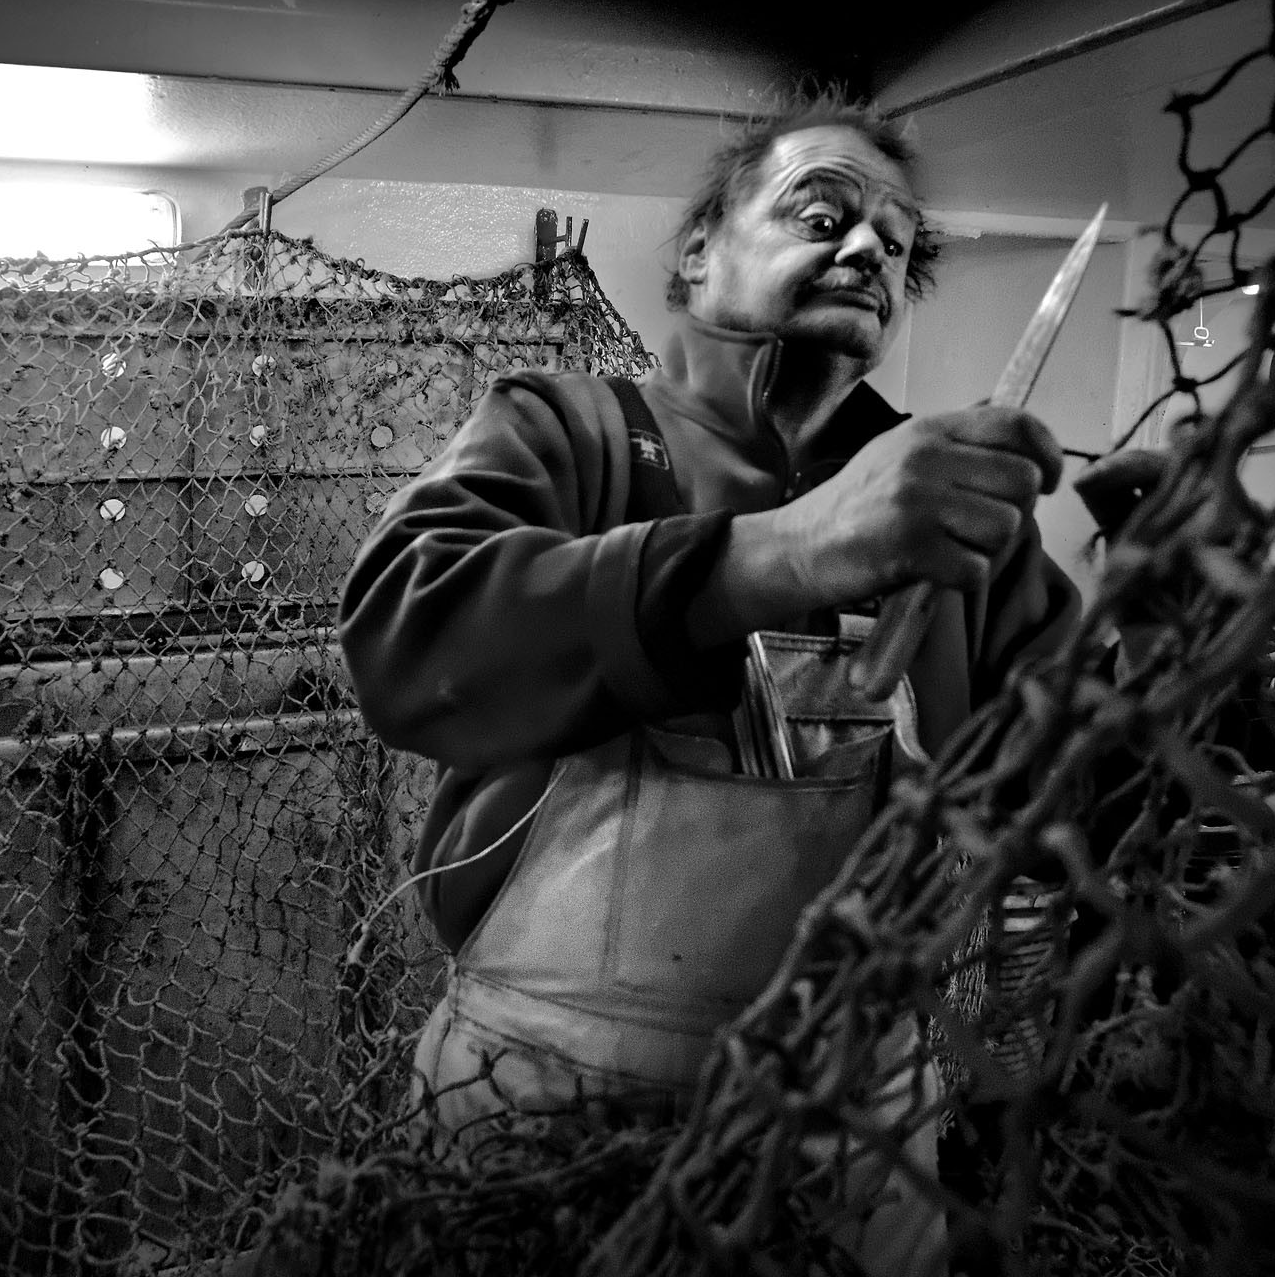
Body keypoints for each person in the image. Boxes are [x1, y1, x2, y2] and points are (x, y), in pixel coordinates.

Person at [337, 89, 1080, 1275]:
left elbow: (1064, 775)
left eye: (893, 245)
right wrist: (785, 550)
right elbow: (405, 637)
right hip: (536, 1122)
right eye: (821, 211)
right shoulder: (569, 431)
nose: (864, 250)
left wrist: (1170, 612)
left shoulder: (952, 504)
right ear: (697, 249)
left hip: (853, 1142)